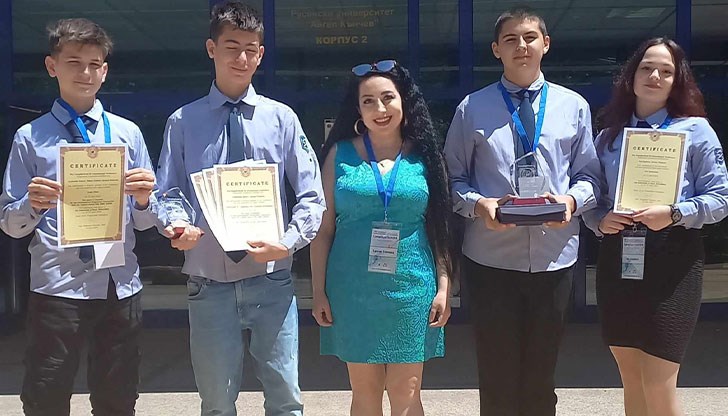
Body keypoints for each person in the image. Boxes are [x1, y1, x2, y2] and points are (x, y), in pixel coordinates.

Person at [154, 2, 325, 415]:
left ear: (261, 55)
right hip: (209, 280)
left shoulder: (281, 119)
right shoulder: (183, 121)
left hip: (271, 279)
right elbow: (168, 191)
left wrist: (287, 243)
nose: (242, 58)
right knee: (216, 402)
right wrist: (177, 225)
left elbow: (312, 195)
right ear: (211, 49)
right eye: (232, 47)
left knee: (286, 399)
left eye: (251, 49)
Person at [443, 7, 601, 416]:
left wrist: (570, 202)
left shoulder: (573, 106)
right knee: (496, 375)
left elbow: (589, 177)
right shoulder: (471, 108)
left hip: (554, 260)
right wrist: (479, 205)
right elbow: (452, 180)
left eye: (530, 37)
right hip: (491, 262)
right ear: (497, 50)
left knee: (541, 378)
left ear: (545, 44)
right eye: (511, 39)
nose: (522, 46)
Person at [0, 18, 159, 415]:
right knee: (46, 397)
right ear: (52, 66)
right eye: (74, 62)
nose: (84, 73)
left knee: (118, 399)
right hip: (58, 286)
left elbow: (145, 223)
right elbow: (10, 225)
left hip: (119, 283)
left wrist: (144, 201)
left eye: (94, 64)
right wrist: (33, 205)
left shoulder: (127, 134)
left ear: (104, 71)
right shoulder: (30, 138)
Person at [582, 37, 728, 416]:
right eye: (647, 68)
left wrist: (675, 213)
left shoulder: (696, 131)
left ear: (677, 81)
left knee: (658, 385)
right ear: (631, 76)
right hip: (619, 260)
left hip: (673, 262)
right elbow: (592, 199)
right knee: (632, 380)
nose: (655, 76)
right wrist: (600, 220)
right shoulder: (608, 137)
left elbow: (721, 199)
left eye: (666, 71)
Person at [309, 60, 452, 416]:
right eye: (368, 101)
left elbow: (440, 226)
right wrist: (318, 291)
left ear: (404, 101)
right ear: (358, 110)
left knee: (407, 391)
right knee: (365, 392)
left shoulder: (426, 157)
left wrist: (444, 286)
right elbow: (323, 231)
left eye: (388, 98)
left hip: (411, 287)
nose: (380, 109)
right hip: (352, 289)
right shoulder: (338, 155)